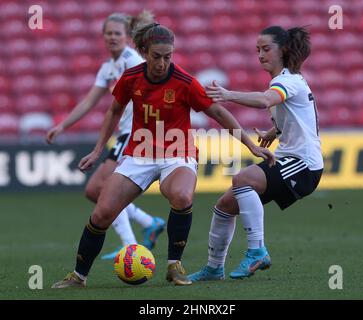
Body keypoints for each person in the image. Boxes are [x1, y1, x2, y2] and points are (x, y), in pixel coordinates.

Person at [51, 22, 275, 288]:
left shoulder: (185, 82)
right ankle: (79, 276)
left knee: (181, 196)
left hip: (177, 153)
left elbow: (218, 113)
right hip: (139, 154)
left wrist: (250, 146)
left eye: (168, 56)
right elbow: (113, 111)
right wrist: (98, 150)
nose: (163, 62)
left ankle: (174, 266)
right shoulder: (131, 77)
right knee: (101, 214)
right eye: (157, 56)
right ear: (144, 52)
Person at [188, 26, 324, 282]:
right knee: (225, 205)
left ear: (283, 50)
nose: (260, 55)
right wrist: (275, 131)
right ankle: (214, 268)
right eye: (257, 50)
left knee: (242, 179)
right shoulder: (288, 79)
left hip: (304, 165)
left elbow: (265, 100)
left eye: (266, 49)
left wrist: (227, 95)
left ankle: (257, 251)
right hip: (289, 158)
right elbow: (301, 115)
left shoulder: (286, 80)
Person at [46, 12, 166, 258]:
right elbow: (90, 100)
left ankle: (130, 245)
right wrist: (63, 125)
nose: (112, 37)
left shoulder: (133, 62)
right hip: (123, 135)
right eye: (108, 33)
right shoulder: (109, 67)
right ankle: (148, 222)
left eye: (117, 33)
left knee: (105, 188)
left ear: (127, 36)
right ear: (102, 36)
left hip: (136, 133)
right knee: (94, 191)